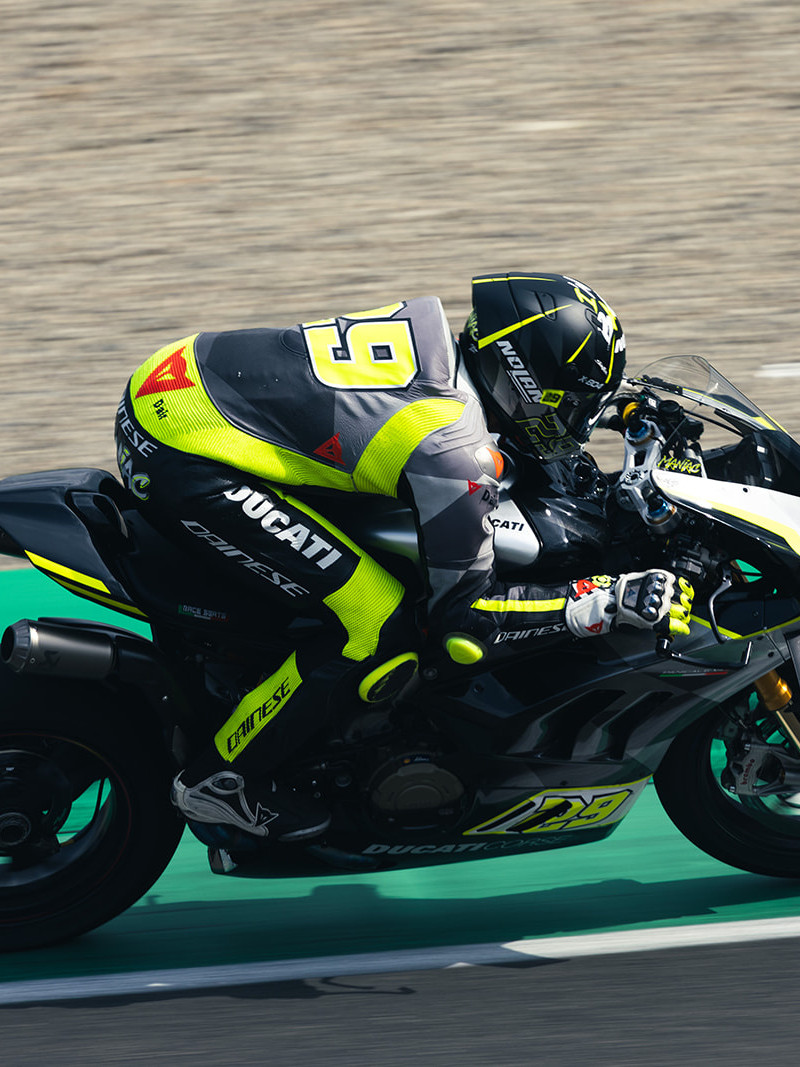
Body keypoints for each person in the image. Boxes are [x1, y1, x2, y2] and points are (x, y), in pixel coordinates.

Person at [115, 272, 694, 842]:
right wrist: (605, 602)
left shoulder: (448, 345)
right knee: (377, 623)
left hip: (177, 376)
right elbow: (466, 620)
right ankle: (221, 780)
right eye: (573, 402)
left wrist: (627, 411)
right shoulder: (449, 450)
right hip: (181, 456)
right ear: (523, 380)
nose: (580, 419)